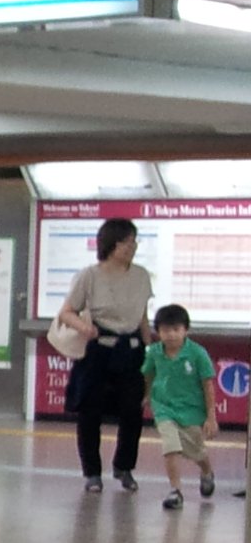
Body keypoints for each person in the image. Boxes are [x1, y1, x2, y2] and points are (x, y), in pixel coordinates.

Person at [59, 216, 156, 492]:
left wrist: (151, 351)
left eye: (134, 241)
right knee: (90, 412)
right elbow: (67, 312)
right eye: (127, 241)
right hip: (98, 350)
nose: (132, 246)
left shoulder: (140, 275)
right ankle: (92, 472)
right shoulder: (89, 275)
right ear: (111, 244)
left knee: (132, 411)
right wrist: (84, 328)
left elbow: (142, 317)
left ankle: (124, 467)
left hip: (131, 349)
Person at [144, 303, 218, 509]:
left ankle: (206, 471)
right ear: (158, 331)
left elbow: (207, 385)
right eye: (166, 330)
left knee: (197, 451)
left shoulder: (197, 354)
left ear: (186, 330)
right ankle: (175, 491)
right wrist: (147, 395)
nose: (171, 335)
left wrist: (211, 416)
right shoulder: (154, 352)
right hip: (164, 407)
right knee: (170, 447)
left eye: (176, 330)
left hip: (192, 411)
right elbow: (148, 374)